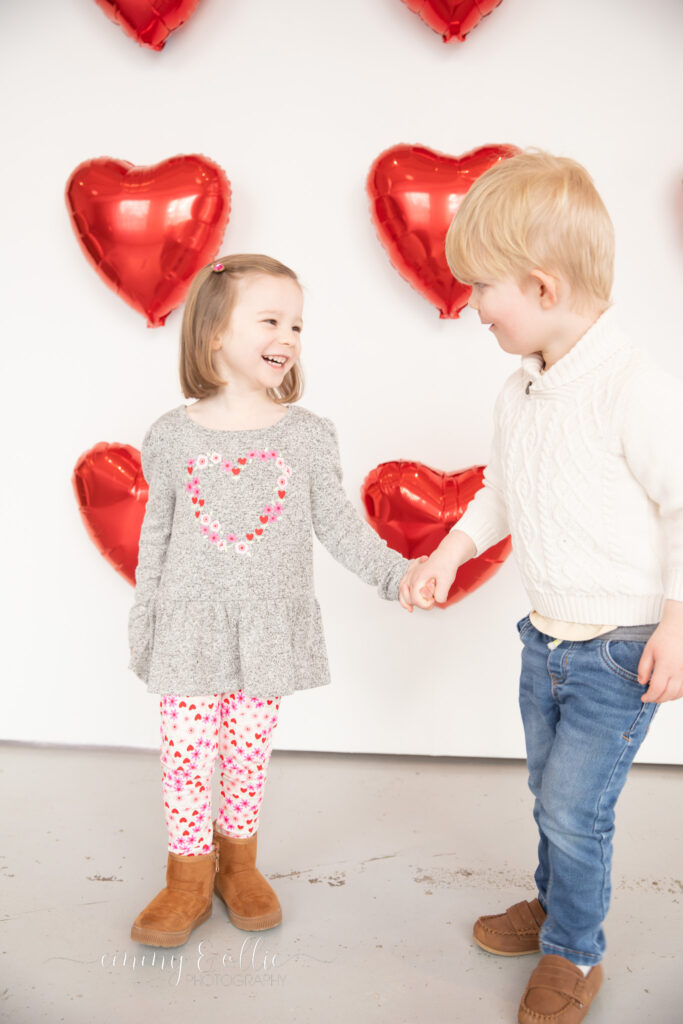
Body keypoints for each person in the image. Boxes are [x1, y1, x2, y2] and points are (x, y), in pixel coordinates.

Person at [400, 151, 683, 1024]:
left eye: (482, 288)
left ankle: (574, 950)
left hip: (621, 649)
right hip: (546, 640)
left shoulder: (633, 386)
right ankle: (557, 903)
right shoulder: (519, 389)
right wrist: (452, 549)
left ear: (542, 287)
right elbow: (501, 490)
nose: (470, 306)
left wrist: (676, 623)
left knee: (573, 804)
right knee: (548, 793)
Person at [127, 253, 415, 948]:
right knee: (186, 758)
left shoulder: (307, 434)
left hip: (266, 626)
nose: (287, 335)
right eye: (270, 319)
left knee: (247, 755)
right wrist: (146, 624)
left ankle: (238, 866)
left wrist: (393, 573)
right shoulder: (170, 435)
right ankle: (187, 879)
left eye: (296, 323)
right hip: (188, 628)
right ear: (214, 335)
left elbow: (339, 525)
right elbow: (155, 539)